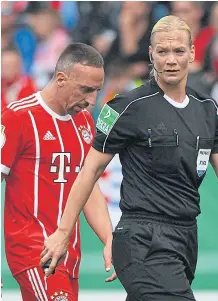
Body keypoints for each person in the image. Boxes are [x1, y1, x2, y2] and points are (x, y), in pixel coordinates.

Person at [40, 16, 218, 301]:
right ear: (151, 54)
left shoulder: (208, 109)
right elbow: (89, 171)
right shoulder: (127, 107)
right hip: (141, 237)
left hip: (186, 238)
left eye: (178, 51)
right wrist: (63, 232)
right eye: (162, 52)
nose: (171, 60)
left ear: (192, 53)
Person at [1, 43, 116, 301]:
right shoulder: (18, 117)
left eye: (97, 91)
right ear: (61, 79)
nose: (92, 101)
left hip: (69, 255)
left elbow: (89, 187)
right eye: (86, 90)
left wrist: (109, 238)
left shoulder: (85, 122)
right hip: (33, 252)